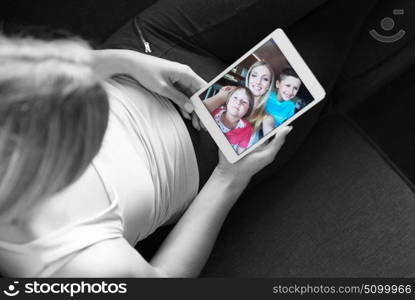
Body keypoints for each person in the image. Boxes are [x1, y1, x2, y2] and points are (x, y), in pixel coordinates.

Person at [0, 35, 292, 277]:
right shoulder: (76, 267)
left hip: (146, 51)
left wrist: (122, 61)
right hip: (211, 151)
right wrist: (229, 179)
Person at [206, 86, 254, 154]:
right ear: (228, 100)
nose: (238, 102)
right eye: (235, 97)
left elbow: (241, 151)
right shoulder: (213, 111)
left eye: (244, 102)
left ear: (248, 110)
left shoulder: (247, 129)